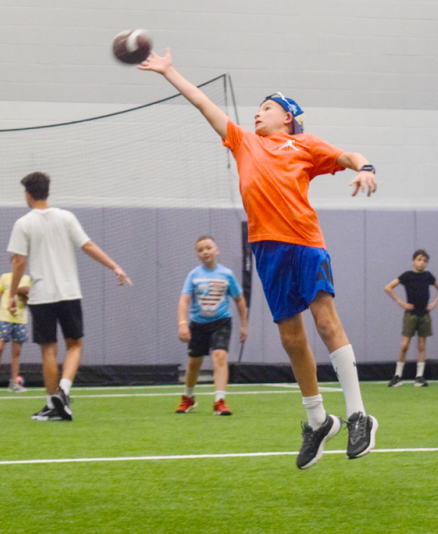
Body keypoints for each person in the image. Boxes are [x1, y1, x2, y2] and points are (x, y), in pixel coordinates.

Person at [139, 49, 378, 469]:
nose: (257, 113)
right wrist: (169, 71)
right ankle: (318, 422)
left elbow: (350, 157)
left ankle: (359, 416)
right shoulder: (243, 142)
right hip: (267, 249)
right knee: (291, 338)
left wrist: (366, 168)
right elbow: (202, 103)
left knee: (325, 321)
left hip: (305, 242)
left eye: (266, 108)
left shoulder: (304, 144)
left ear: (287, 116)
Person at [7, 172, 132, 421]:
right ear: (48, 192)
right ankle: (62, 393)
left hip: (41, 295)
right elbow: (88, 245)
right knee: (74, 345)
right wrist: (115, 266)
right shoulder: (66, 217)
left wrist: (11, 294)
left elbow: (19, 261)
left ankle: (54, 401)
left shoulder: (23, 223)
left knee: (48, 351)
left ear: (28, 194)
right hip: (69, 293)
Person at [177, 236, 248, 416]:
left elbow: (239, 300)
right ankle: (188, 397)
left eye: (208, 248)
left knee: (220, 357)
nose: (205, 252)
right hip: (198, 324)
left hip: (221, 322)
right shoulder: (194, 275)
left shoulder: (227, 274)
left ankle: (219, 401)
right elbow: (184, 300)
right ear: (197, 255)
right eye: (201, 250)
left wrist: (244, 326)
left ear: (216, 250)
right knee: (194, 362)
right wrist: (182, 324)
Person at [384, 249, 438, 387]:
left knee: (422, 345)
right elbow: (388, 288)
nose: (422, 263)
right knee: (405, 345)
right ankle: (397, 375)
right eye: (419, 260)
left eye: (424, 261)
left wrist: (434, 303)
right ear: (413, 261)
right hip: (411, 315)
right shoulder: (407, 276)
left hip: (424, 315)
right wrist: (401, 303)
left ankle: (419, 377)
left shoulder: (428, 276)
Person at [0, 270, 31, 393]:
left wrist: (24, 298)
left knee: (16, 351)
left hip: (20, 319)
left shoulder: (27, 279)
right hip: (4, 317)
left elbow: (30, 300)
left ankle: (13, 382)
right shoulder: (5, 277)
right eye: (14, 261)